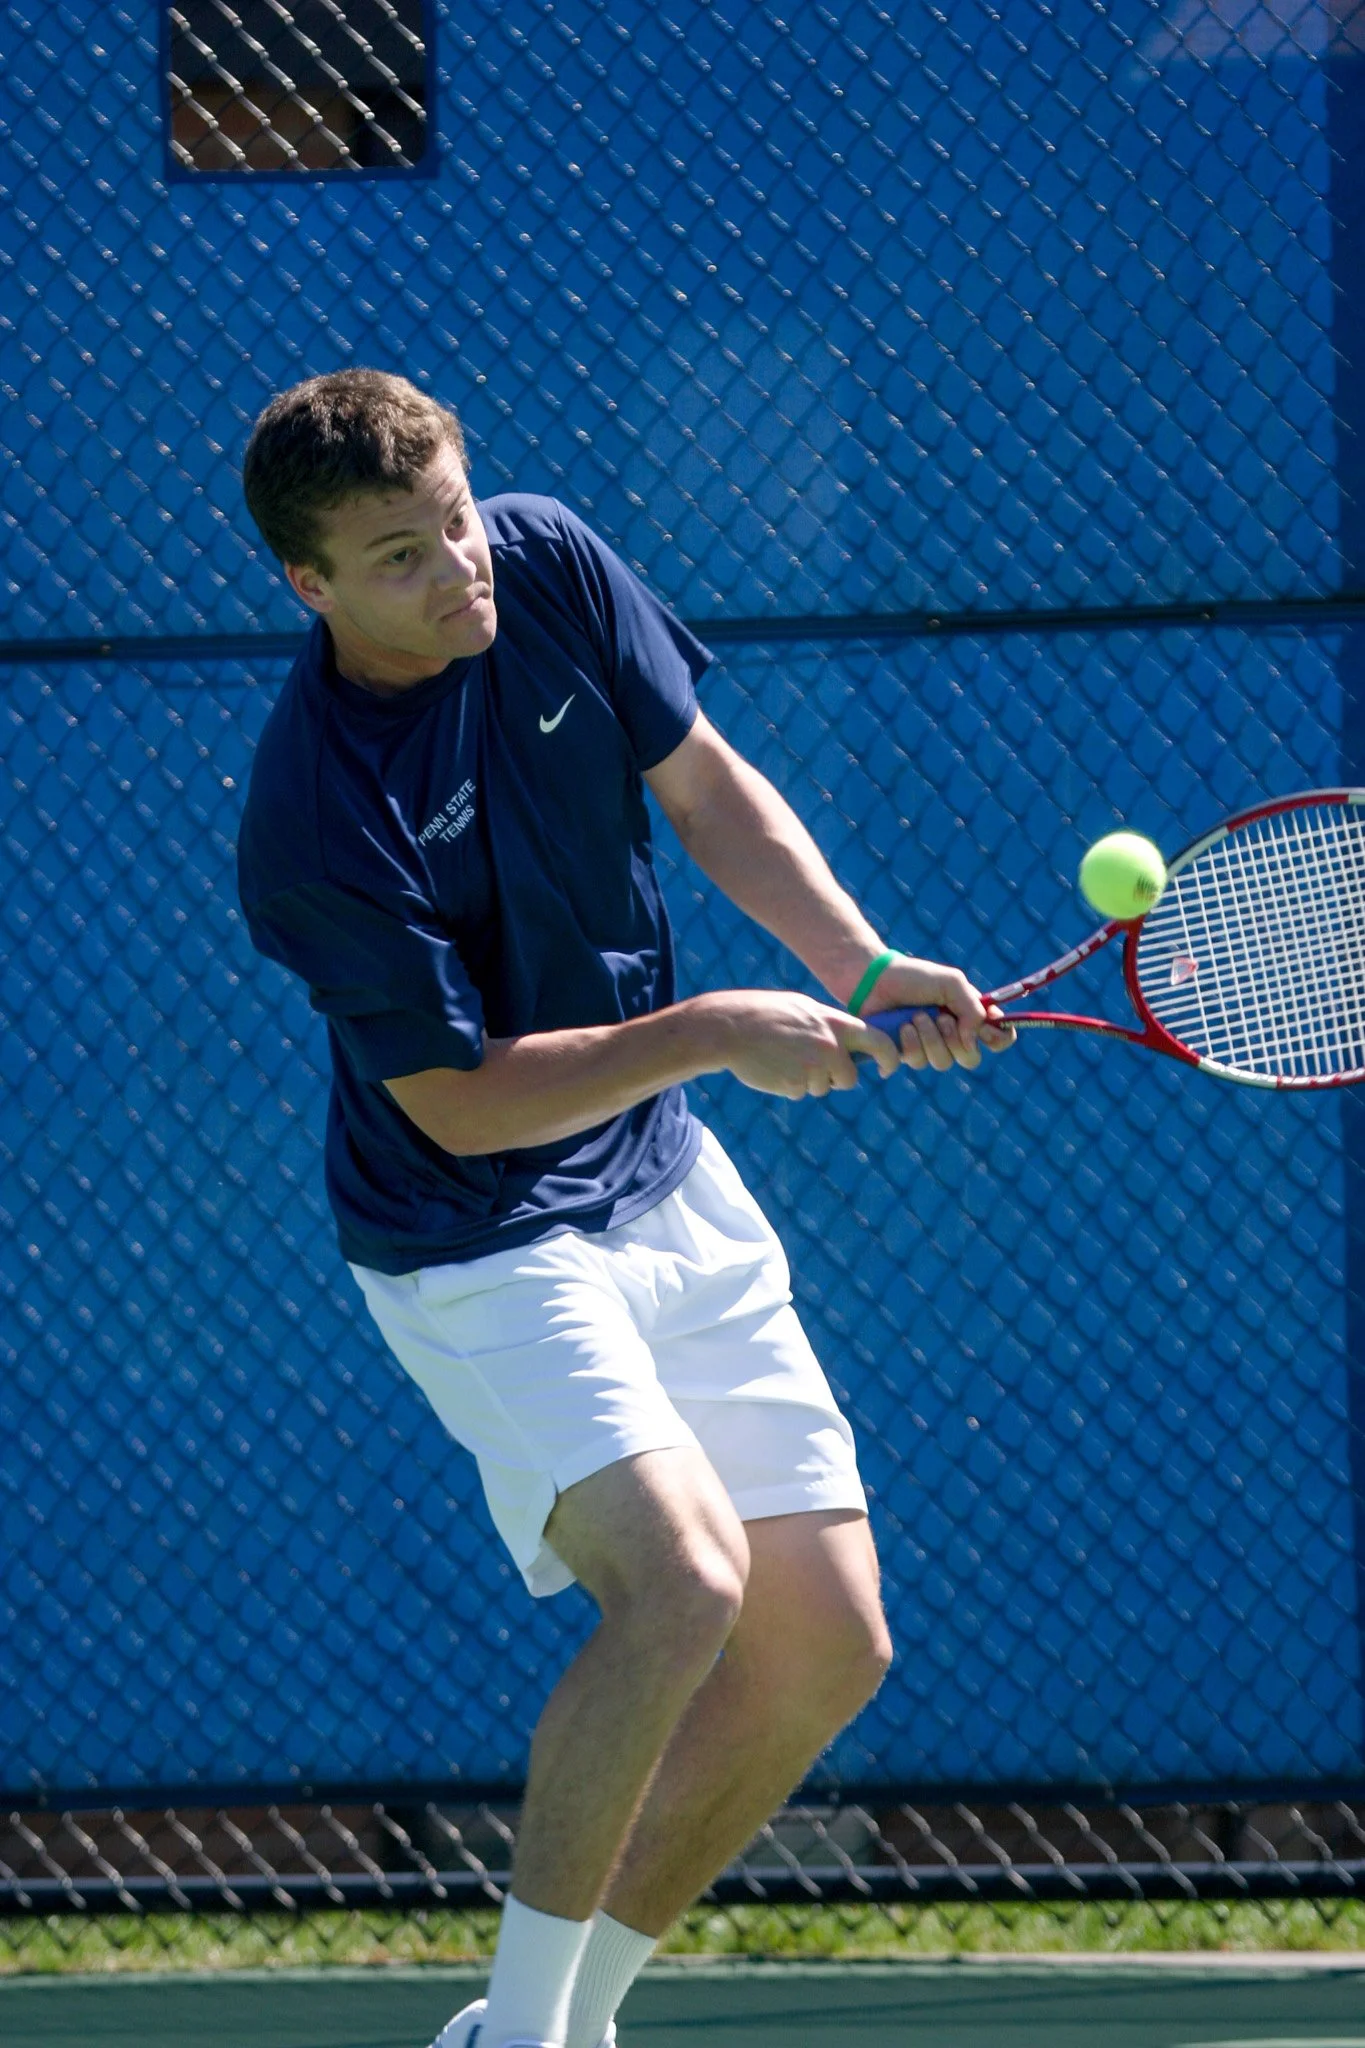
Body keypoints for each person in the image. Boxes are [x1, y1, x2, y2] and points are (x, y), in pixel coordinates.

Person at [236, 368, 1013, 2048]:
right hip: (477, 1235)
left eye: (455, 513)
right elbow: (460, 1096)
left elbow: (706, 779)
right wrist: (723, 1031)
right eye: (397, 556)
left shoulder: (554, 566)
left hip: (659, 1184)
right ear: (311, 588)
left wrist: (857, 962)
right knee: (684, 1583)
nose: (458, 566)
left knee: (827, 1647)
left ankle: (568, 2021)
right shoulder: (315, 814)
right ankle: (519, 2039)